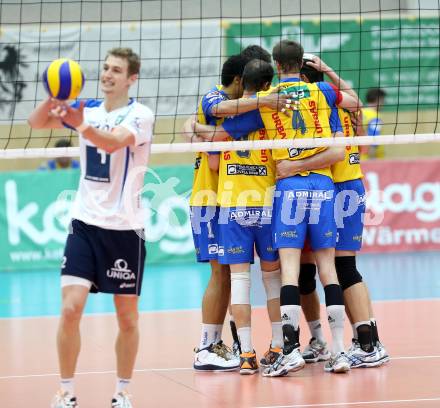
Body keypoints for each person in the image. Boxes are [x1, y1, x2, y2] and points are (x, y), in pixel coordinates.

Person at [196, 39, 362, 376]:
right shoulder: (324, 94)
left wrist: (191, 129)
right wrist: (326, 71)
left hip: (279, 194)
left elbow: (215, 136)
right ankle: (339, 350)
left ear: (276, 64)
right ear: (302, 63)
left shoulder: (265, 107)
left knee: (283, 273)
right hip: (323, 187)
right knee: (327, 269)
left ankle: (284, 350)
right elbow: (354, 107)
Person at [28, 47, 154, 408]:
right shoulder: (86, 108)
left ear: (132, 78)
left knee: (127, 318)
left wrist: (78, 122)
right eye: (105, 68)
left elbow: (113, 144)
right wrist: (56, 98)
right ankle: (65, 391)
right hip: (84, 223)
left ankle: (122, 391)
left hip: (126, 228)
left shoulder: (140, 115)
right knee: (70, 308)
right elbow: (36, 124)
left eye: (117, 70)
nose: (108, 74)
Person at [285, 54, 389, 368]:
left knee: (342, 269)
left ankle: (368, 343)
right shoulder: (341, 102)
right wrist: (328, 68)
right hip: (338, 186)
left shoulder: (319, 105)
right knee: (309, 270)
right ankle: (335, 339)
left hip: (338, 186)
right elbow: (355, 101)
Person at [193, 59, 284, 375]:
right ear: (264, 86)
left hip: (230, 205)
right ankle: (277, 346)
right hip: (253, 205)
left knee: (236, 279)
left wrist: (198, 131)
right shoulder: (265, 115)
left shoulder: (229, 125)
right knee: (268, 280)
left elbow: (215, 159)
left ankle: (244, 352)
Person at [361, 87, 387, 159]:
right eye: (383, 100)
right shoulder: (375, 116)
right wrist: (372, 160)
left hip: (359, 158)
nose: (384, 103)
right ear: (379, 100)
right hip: (370, 159)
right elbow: (373, 137)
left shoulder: (360, 112)